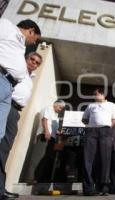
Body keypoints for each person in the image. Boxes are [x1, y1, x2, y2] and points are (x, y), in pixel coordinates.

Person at [0, 52, 42, 199]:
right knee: (3, 147)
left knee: (4, 148)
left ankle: (1, 188)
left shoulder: (31, 78)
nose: (34, 63)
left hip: (15, 111)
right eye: (32, 59)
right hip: (7, 106)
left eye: (37, 63)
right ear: (25, 58)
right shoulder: (17, 71)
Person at [0, 18, 41, 142]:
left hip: (8, 87)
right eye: (36, 39)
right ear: (31, 31)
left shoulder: (21, 45)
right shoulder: (7, 26)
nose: (35, 43)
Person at [81, 88, 115, 196]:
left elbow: (114, 119)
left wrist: (108, 128)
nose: (94, 96)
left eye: (95, 94)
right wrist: (91, 126)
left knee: (105, 158)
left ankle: (104, 187)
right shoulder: (91, 106)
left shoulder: (111, 105)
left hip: (105, 131)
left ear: (103, 94)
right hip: (91, 132)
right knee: (88, 159)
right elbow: (84, 119)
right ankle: (89, 188)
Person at [31, 100, 65, 183]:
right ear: (55, 104)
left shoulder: (56, 115)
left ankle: (41, 178)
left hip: (51, 138)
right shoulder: (48, 109)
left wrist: (59, 132)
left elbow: (54, 128)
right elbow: (44, 120)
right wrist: (46, 131)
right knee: (40, 156)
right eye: (60, 107)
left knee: (48, 158)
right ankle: (33, 178)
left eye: (62, 108)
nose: (60, 110)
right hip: (44, 135)